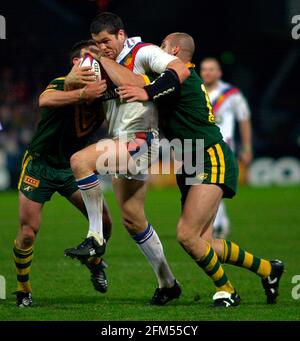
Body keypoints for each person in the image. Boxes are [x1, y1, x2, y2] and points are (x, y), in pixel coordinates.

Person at [117, 32, 284, 307]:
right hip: (191, 158)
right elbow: (139, 81)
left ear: (176, 49)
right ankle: (268, 269)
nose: (158, 50)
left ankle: (227, 290)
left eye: (162, 46)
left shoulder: (179, 78)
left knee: (186, 235)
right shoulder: (170, 80)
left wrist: (108, 64)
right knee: (204, 242)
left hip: (208, 155)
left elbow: (140, 83)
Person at [63, 12, 190, 305]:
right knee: (133, 220)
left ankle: (95, 238)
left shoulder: (142, 52)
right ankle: (168, 283)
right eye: (96, 43)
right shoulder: (99, 65)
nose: (102, 47)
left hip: (143, 138)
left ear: (121, 35)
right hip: (123, 142)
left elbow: (177, 69)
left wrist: (102, 59)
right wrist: (75, 81)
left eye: (106, 41)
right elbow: (78, 97)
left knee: (80, 161)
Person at [14, 40, 112, 307]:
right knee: (28, 232)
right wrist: (81, 94)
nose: (95, 61)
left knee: (105, 222)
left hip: (72, 167)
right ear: (76, 64)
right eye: (89, 57)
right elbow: (45, 100)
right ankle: (24, 289)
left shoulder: (104, 94)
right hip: (40, 166)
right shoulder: (62, 83)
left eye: (99, 58)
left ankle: (94, 262)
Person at [200, 57, 253, 238]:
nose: (207, 72)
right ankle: (218, 223)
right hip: (200, 146)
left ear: (219, 73)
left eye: (211, 69)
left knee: (213, 183)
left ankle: (218, 224)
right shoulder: (197, 92)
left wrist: (246, 147)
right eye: (204, 69)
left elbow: (244, 120)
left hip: (224, 144)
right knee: (202, 184)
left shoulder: (232, 94)